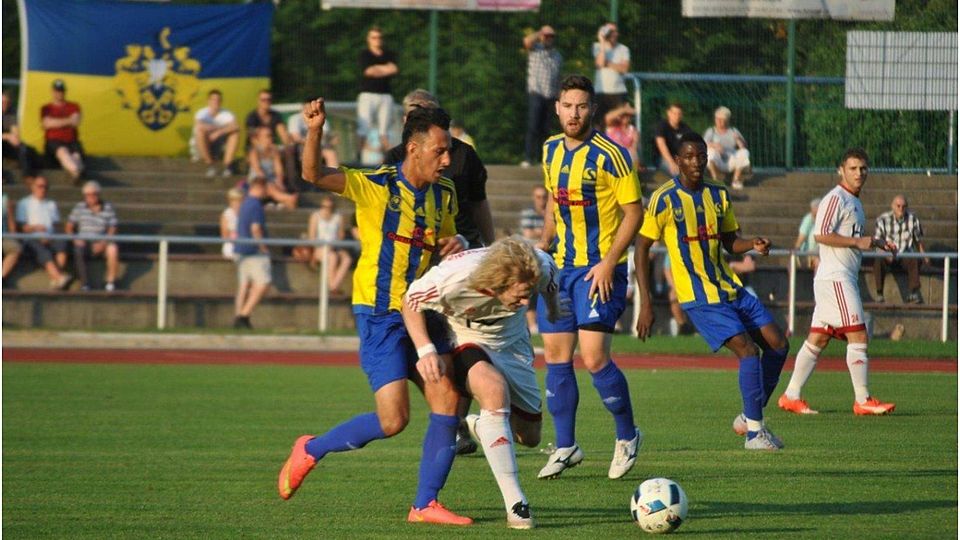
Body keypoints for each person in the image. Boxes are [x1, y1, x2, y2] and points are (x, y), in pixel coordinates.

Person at [279, 100, 472, 526]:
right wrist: (315, 131)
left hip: (421, 311)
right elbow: (313, 175)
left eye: (449, 151)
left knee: (449, 398)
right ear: (414, 149)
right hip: (379, 313)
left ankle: (424, 504)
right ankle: (311, 448)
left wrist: (455, 243)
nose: (447, 160)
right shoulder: (376, 185)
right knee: (393, 420)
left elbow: (444, 242)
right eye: (440, 151)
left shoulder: (444, 193)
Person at [634, 132, 790, 451]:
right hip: (699, 297)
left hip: (729, 287)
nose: (696, 162)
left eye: (701, 156)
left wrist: (753, 244)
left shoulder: (718, 194)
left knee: (778, 345)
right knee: (748, 351)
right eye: (689, 156)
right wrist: (646, 303)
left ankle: (749, 416)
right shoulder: (664, 199)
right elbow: (641, 247)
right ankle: (754, 434)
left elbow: (730, 241)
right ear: (677, 161)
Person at [402, 238, 564, 529]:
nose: (526, 303)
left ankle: (481, 425)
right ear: (497, 283)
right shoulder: (454, 279)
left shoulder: (538, 265)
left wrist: (552, 310)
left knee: (530, 438)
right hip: (465, 338)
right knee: (493, 390)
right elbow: (411, 300)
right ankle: (516, 504)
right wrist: (425, 350)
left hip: (513, 345)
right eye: (521, 295)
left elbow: (550, 282)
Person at [535, 74, 643, 479]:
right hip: (560, 270)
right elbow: (553, 199)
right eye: (568, 105)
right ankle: (566, 446)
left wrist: (609, 261)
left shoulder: (612, 155)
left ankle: (628, 435)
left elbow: (634, 212)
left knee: (595, 357)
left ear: (592, 110)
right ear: (557, 109)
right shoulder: (550, 149)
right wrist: (543, 244)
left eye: (581, 106)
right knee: (556, 356)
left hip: (600, 270)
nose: (574, 113)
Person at [778, 148, 897, 417]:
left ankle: (791, 396)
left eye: (863, 168)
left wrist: (876, 242)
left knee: (818, 339)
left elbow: (851, 237)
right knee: (858, 334)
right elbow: (821, 234)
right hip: (836, 278)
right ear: (841, 170)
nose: (859, 173)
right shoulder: (836, 198)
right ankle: (862, 399)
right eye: (853, 168)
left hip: (836, 278)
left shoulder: (855, 202)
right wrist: (857, 241)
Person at [385, 89, 494, 250]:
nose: (446, 161)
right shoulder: (394, 158)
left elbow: (478, 201)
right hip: (413, 247)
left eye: (431, 115)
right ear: (405, 120)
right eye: (418, 116)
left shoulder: (464, 154)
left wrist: (490, 245)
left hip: (461, 243)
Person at [15, 176, 71, 289]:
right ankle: (58, 277)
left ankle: (56, 277)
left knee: (62, 243)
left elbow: (56, 225)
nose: (43, 189)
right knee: (41, 249)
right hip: (31, 237)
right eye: (40, 186)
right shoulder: (24, 203)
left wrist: (52, 236)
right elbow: (22, 227)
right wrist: (36, 228)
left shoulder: (51, 204)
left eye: (45, 187)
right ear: (33, 187)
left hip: (50, 236)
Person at [232, 176, 272, 330]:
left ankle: (239, 316)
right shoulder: (255, 205)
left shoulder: (245, 203)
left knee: (245, 285)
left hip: (241, 249)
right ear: (260, 187)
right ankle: (243, 315)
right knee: (263, 283)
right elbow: (255, 228)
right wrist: (263, 247)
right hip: (253, 251)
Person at [872, 194, 928, 304]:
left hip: (905, 255)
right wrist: (885, 252)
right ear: (892, 206)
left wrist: (925, 256)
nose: (901, 209)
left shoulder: (913, 219)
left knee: (915, 259)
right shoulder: (882, 219)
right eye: (898, 206)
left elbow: (917, 241)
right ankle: (879, 293)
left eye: (904, 206)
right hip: (887, 254)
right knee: (878, 260)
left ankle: (913, 293)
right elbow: (877, 241)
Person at [65, 181, 119, 291]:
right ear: (84, 196)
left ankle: (110, 283)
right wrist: (75, 239)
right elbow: (69, 227)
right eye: (88, 195)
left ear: (99, 194)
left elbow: (113, 228)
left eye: (94, 194)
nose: (91, 197)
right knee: (78, 249)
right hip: (84, 241)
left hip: (101, 240)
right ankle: (85, 283)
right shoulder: (79, 207)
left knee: (113, 248)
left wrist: (104, 243)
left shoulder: (107, 207)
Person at [521, 24, 562, 168]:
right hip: (536, 92)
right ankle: (528, 157)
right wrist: (540, 32)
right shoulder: (535, 49)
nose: (549, 38)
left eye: (551, 36)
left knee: (546, 129)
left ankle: (542, 158)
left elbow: (558, 77)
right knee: (533, 126)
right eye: (547, 36)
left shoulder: (557, 56)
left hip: (551, 95)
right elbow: (526, 41)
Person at [358, 26, 398, 155]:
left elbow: (394, 69)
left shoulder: (389, 54)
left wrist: (377, 69)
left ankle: (388, 158)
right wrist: (385, 69)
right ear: (368, 39)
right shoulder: (365, 54)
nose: (377, 40)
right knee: (364, 128)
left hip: (385, 95)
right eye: (374, 37)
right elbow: (369, 71)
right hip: (368, 94)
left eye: (379, 37)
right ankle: (358, 156)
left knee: (384, 131)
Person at [245, 89, 297, 187]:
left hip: (271, 146)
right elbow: (253, 138)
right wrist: (267, 147)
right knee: (265, 153)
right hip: (255, 147)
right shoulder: (252, 117)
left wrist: (288, 145)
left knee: (288, 152)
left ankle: (291, 183)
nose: (266, 102)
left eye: (268, 99)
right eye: (263, 99)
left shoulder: (275, 116)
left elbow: (282, 133)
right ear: (258, 101)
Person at [40, 79, 84, 183]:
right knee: (63, 152)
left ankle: (76, 173)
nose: (59, 93)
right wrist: (68, 120)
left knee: (76, 156)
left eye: (61, 91)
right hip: (54, 142)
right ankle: (76, 173)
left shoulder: (74, 106)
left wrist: (54, 122)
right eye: (57, 91)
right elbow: (46, 124)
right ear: (52, 92)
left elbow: (76, 122)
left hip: (72, 141)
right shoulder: (46, 108)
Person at [307, 194, 352, 295]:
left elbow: (341, 235)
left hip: (335, 246)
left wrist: (334, 245)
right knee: (332, 257)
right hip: (319, 247)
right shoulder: (315, 216)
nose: (327, 209)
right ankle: (333, 287)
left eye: (330, 207)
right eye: (324, 206)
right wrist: (322, 247)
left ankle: (334, 285)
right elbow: (312, 237)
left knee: (347, 259)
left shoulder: (338, 217)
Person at [247, 126, 297, 209]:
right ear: (259, 138)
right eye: (267, 136)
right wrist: (269, 182)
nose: (270, 138)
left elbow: (279, 170)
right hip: (257, 181)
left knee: (289, 202)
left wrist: (279, 181)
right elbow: (258, 170)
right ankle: (288, 198)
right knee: (270, 187)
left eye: (271, 135)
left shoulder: (274, 152)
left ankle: (282, 203)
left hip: (272, 182)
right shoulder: (254, 152)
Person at [193, 89, 239, 178]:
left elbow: (235, 126)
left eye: (218, 100)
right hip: (203, 145)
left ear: (221, 102)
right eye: (213, 99)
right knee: (200, 132)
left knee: (235, 134)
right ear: (208, 101)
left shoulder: (227, 113)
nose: (216, 102)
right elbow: (199, 126)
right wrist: (220, 128)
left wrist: (218, 132)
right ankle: (210, 165)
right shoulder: (201, 113)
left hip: (219, 143)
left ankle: (227, 165)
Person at [592, 23, 631, 130]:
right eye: (610, 31)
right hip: (601, 91)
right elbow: (600, 64)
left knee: (619, 123)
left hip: (618, 91)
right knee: (598, 124)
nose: (612, 34)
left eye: (614, 31)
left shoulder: (623, 49)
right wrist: (602, 42)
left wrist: (607, 63)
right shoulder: (597, 46)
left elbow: (624, 69)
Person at [703, 106, 750, 190]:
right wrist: (714, 145)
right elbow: (703, 144)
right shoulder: (711, 131)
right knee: (710, 152)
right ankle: (715, 179)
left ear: (727, 120)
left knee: (744, 152)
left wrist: (738, 139)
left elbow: (743, 147)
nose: (719, 121)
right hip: (718, 160)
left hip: (731, 159)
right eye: (717, 119)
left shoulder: (733, 130)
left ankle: (736, 180)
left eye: (721, 119)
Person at [3, 90, 41, 180]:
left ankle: (28, 176)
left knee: (25, 149)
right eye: (3, 102)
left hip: (7, 146)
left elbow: (15, 134)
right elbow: (10, 136)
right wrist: (7, 136)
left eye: (7, 103)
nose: (5, 105)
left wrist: (12, 137)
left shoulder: (10, 113)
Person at [288, 102, 339, 167]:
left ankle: (334, 172)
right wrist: (312, 142)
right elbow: (296, 137)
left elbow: (325, 136)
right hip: (302, 147)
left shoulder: (321, 119)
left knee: (331, 154)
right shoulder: (295, 119)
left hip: (320, 146)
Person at [654, 103, 694, 177]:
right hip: (663, 158)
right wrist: (671, 162)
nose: (677, 116)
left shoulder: (685, 128)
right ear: (668, 113)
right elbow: (662, 146)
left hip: (679, 158)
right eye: (674, 113)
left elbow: (691, 144)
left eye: (679, 114)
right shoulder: (662, 126)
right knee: (678, 172)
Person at [604, 103, 639, 167]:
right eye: (623, 115)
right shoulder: (612, 126)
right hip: (611, 159)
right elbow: (608, 117)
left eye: (628, 115)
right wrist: (625, 110)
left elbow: (634, 148)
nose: (625, 117)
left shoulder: (633, 130)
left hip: (625, 161)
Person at [794, 197, 821, 271]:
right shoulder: (808, 219)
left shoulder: (823, 219)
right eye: (812, 208)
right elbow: (802, 236)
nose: (812, 210)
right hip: (810, 251)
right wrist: (797, 247)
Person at [220, 188, 244, 260]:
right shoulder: (227, 214)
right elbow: (224, 235)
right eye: (234, 200)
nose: (237, 203)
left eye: (240, 201)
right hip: (231, 245)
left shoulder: (246, 213)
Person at [3, 190, 21, 280]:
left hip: (3, 236)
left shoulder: (5, 200)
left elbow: (11, 221)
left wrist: (14, 236)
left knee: (15, 248)